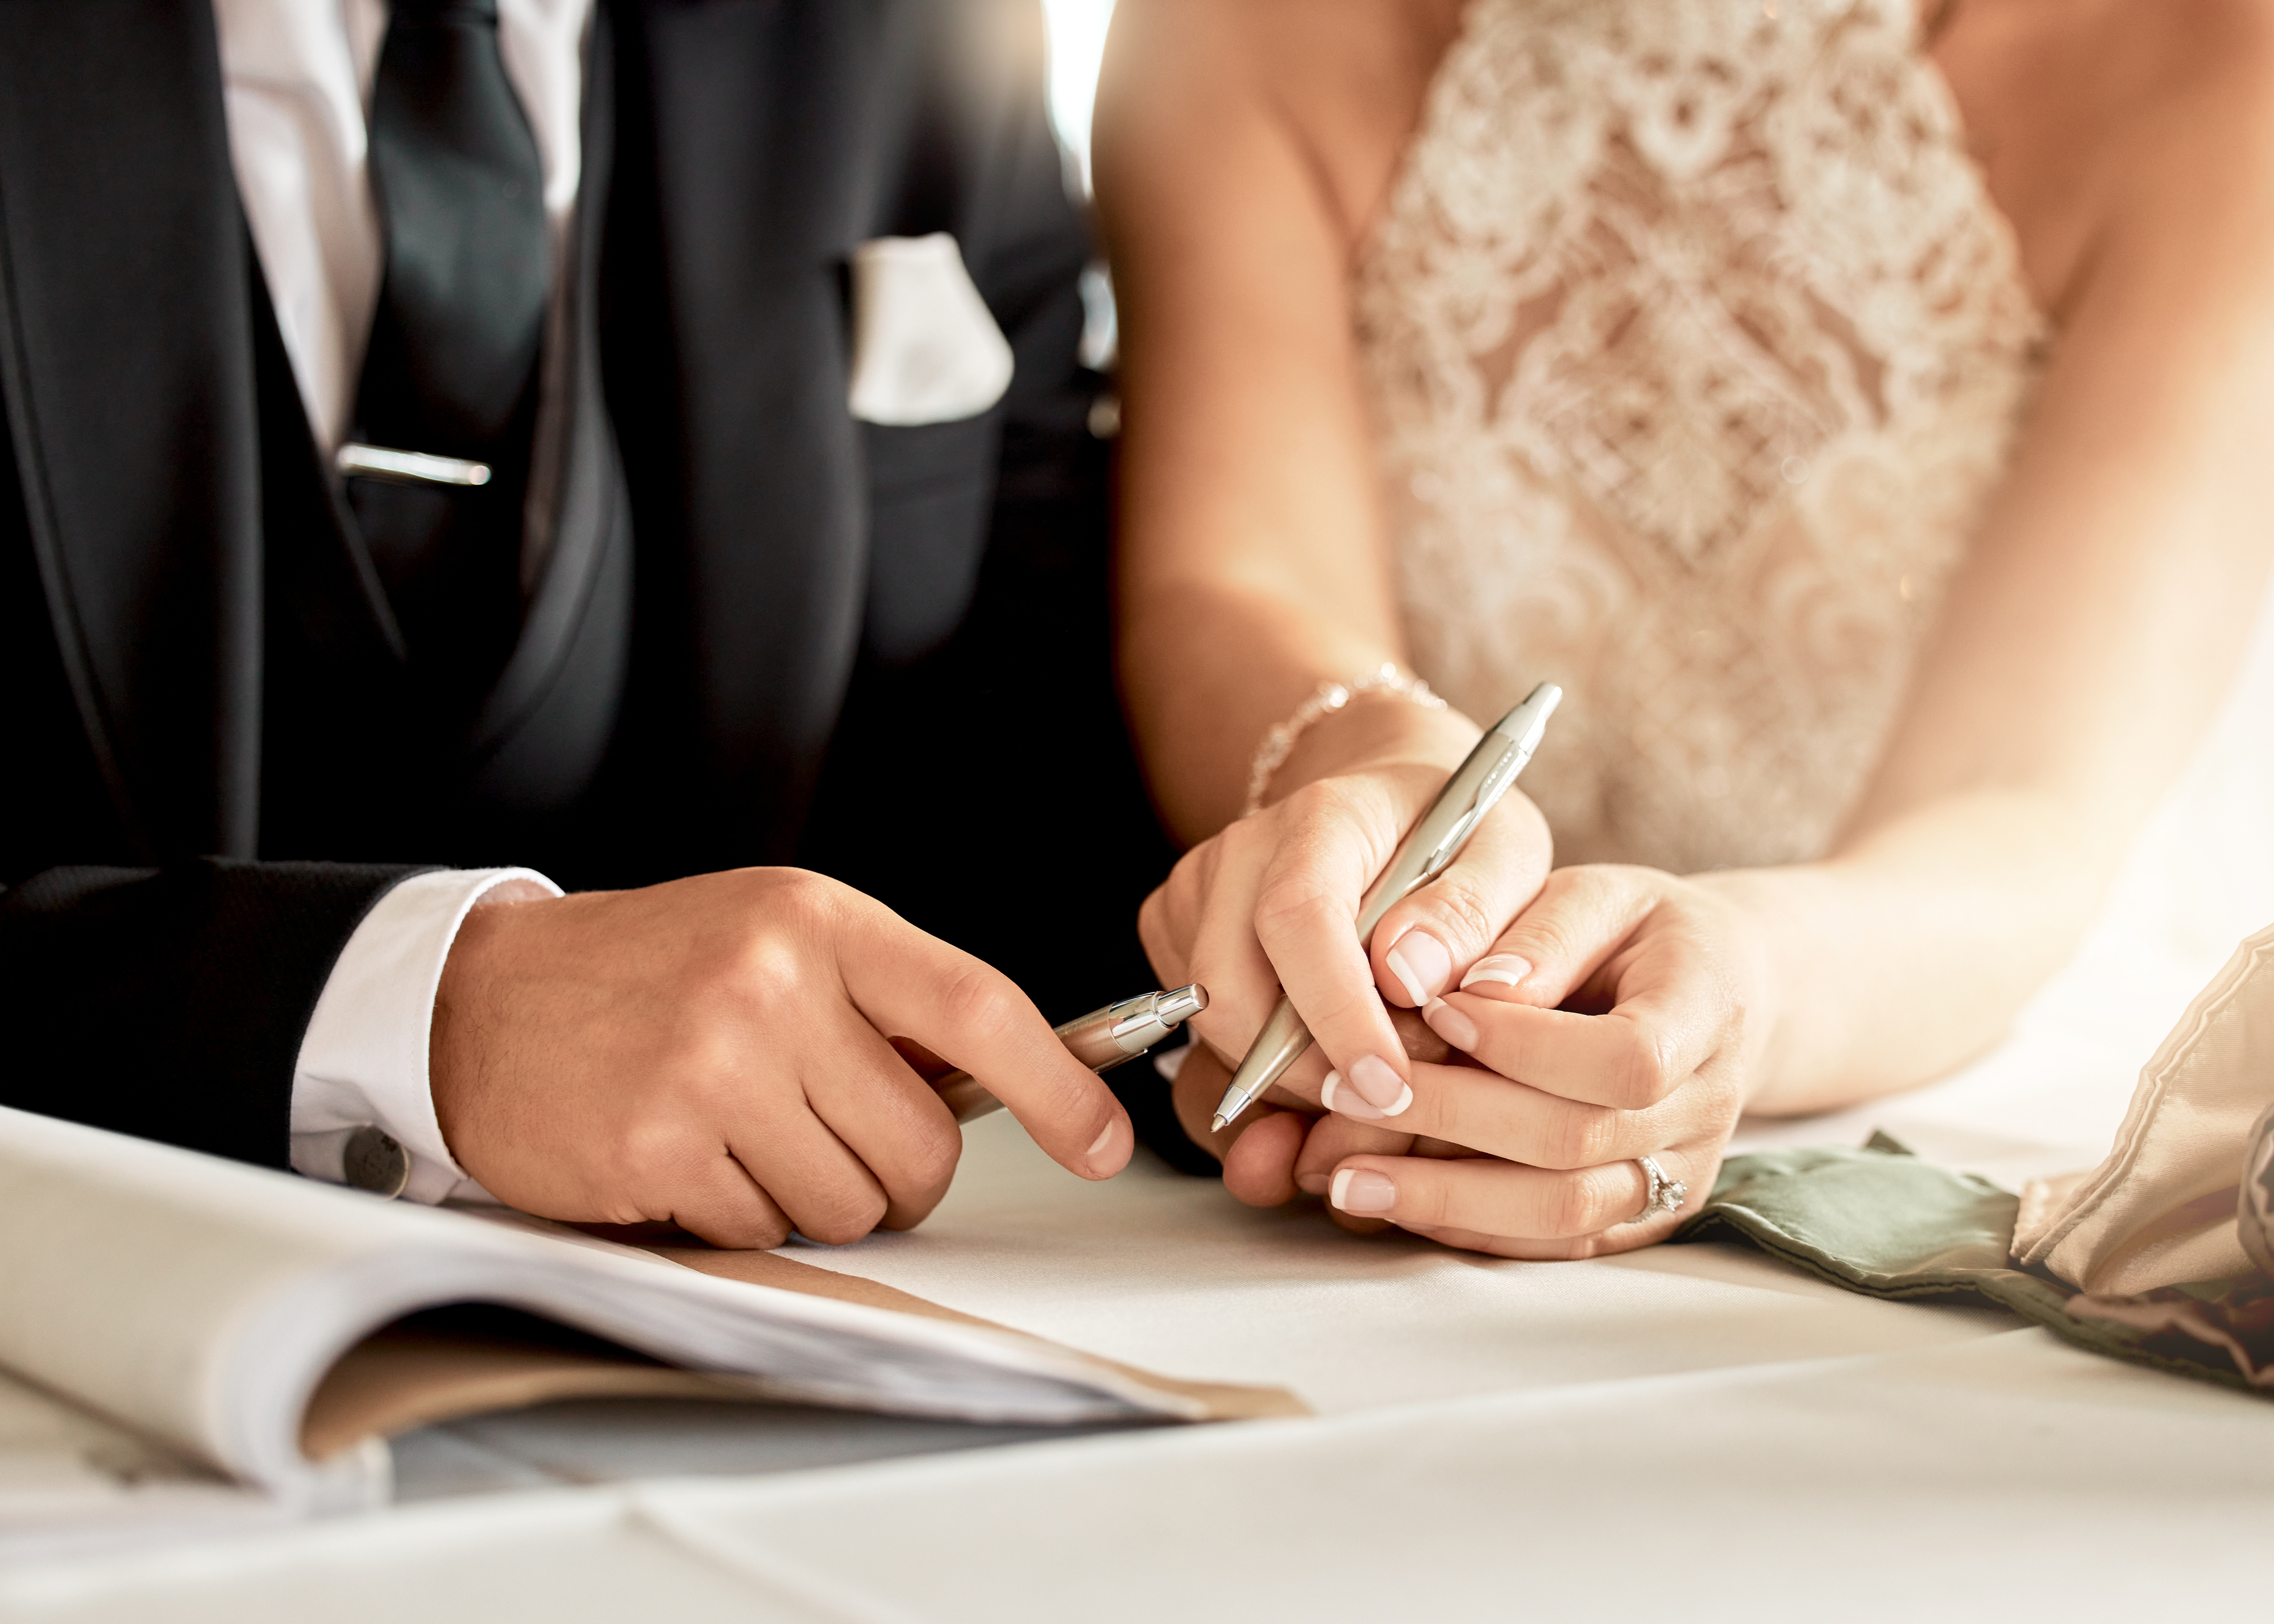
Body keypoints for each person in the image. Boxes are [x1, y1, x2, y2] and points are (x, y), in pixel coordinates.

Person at [1096, 0, 2274, 1255]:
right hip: (1395, 1079)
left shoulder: (2215, 52)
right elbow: (1233, 584)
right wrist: (1356, 790)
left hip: (1969, 1102)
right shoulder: (1234, 27)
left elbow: (2021, 800)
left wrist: (1734, 987)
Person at [0, 0, 1168, 1247]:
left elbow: (1042, 799)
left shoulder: (918, 36)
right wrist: (426, 1018)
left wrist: (1309, 974)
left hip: (775, 1350)